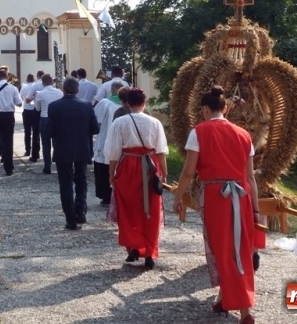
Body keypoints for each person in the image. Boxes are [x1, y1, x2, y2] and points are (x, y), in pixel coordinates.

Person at [173, 85, 258, 324]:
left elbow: (188, 172)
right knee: (238, 248)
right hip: (242, 194)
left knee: (221, 248)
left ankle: (245, 310)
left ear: (204, 109)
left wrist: (178, 197)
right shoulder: (244, 134)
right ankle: (224, 299)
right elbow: (250, 176)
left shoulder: (199, 132)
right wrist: (256, 208)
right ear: (226, 108)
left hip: (215, 195)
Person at [105, 88, 168, 269]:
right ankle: (149, 253)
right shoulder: (154, 122)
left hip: (128, 166)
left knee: (128, 208)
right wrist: (164, 172)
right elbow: (161, 150)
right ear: (144, 102)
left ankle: (133, 247)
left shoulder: (120, 122)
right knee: (150, 210)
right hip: (150, 166)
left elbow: (114, 151)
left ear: (127, 103)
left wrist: (111, 173)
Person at [47, 78, 100, 230]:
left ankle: (70, 219)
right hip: (82, 148)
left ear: (63, 89)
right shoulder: (87, 105)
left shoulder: (54, 106)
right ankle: (81, 210)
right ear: (78, 90)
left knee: (65, 184)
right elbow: (95, 129)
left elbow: (49, 131)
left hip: (62, 148)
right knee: (81, 180)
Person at [93, 82, 123, 206]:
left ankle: (106, 196)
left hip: (106, 138)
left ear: (112, 89)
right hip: (123, 142)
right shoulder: (130, 105)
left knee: (104, 165)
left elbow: (96, 118)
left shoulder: (105, 103)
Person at [32, 74, 63, 174]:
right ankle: (59, 165)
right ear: (52, 82)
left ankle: (47, 166)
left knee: (46, 144)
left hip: (45, 118)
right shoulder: (59, 92)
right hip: (57, 119)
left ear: (43, 83)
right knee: (57, 143)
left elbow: (37, 108)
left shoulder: (40, 93)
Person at [19, 74, 40, 161]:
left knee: (27, 131)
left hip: (27, 110)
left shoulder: (24, 87)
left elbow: (21, 97)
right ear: (34, 79)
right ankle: (36, 151)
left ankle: (27, 150)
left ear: (27, 80)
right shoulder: (37, 86)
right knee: (36, 132)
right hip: (35, 110)